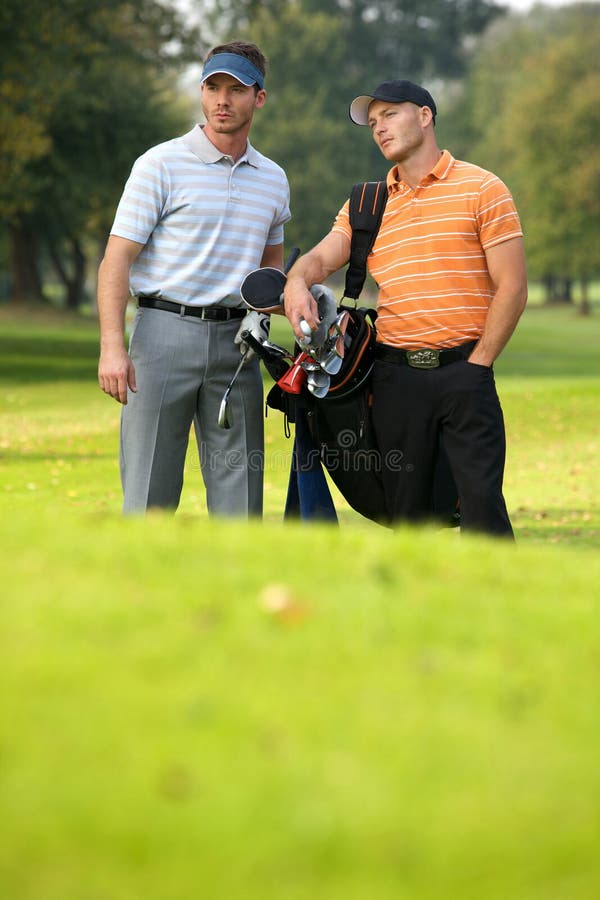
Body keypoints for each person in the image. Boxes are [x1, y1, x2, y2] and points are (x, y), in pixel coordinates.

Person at [283, 80, 527, 537]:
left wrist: (480, 364)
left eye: (389, 115)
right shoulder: (367, 204)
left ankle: (499, 605)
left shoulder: (483, 188)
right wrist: (297, 280)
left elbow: (512, 286)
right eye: (372, 123)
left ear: (425, 115)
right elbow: (319, 259)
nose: (379, 128)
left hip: (466, 372)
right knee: (406, 517)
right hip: (395, 380)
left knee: (482, 512)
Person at [97, 41, 290, 516]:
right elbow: (115, 261)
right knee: (149, 499)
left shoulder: (273, 178)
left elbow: (271, 275)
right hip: (162, 338)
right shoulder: (160, 164)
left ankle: (235, 591)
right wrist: (111, 347)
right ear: (202, 93)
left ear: (258, 98)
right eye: (212, 87)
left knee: (240, 500)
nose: (222, 100)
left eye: (235, 89)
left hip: (238, 347)